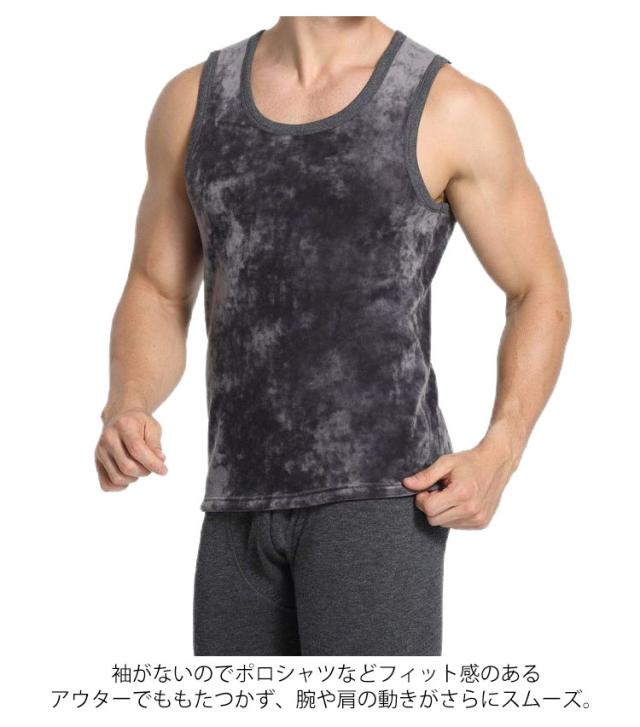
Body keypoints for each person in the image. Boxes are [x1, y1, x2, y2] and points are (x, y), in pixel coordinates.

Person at [95, 16, 571, 656]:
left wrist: (502, 450)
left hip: (381, 503)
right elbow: (158, 288)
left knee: (364, 705)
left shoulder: (450, 106)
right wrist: (128, 402)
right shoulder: (193, 101)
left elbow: (538, 289)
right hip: (234, 503)